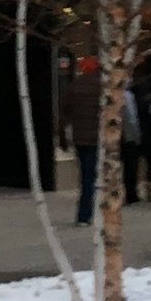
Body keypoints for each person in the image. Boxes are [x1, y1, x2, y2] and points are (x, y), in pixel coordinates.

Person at [59, 60, 104, 226]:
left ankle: (84, 213)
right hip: (97, 138)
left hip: (79, 138)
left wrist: (62, 137)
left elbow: (63, 114)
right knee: (92, 176)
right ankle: (88, 213)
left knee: (86, 174)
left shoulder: (73, 86)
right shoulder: (101, 87)